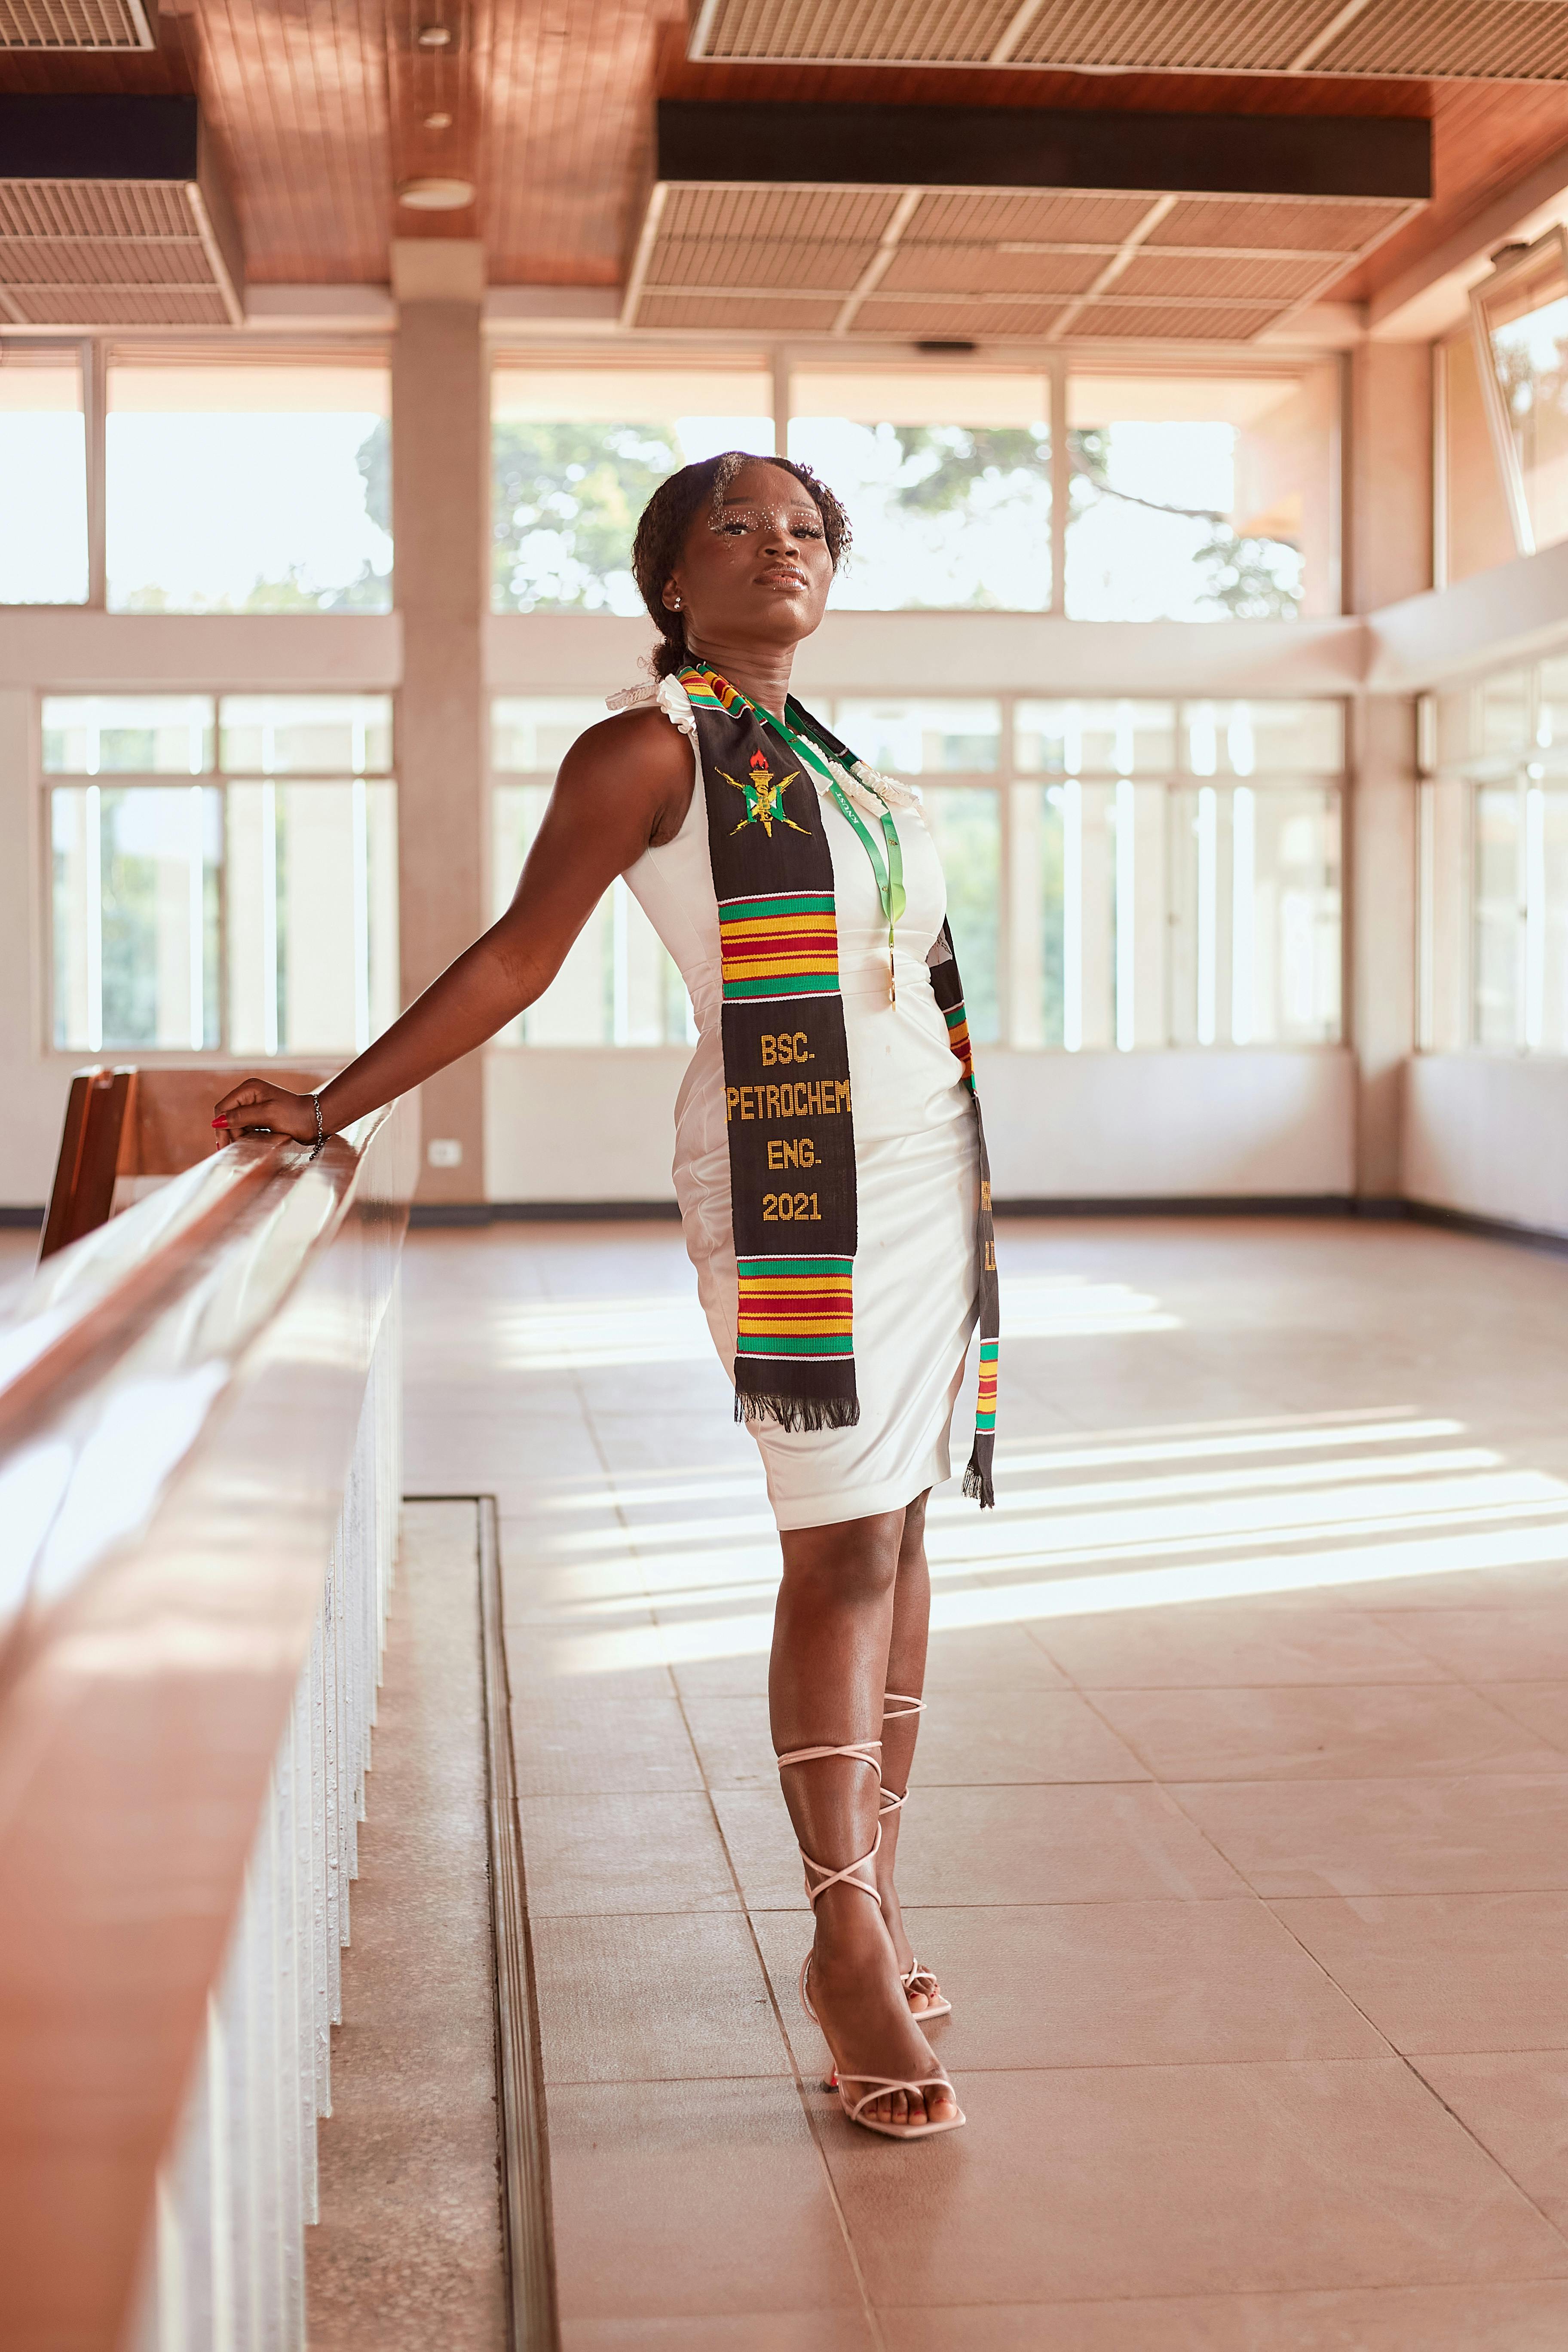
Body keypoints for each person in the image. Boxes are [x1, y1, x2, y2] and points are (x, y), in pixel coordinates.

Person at [215, 452, 1000, 2141]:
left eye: (805, 531)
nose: (777, 549)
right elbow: (523, 949)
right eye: (736, 526)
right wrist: (339, 1101)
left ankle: (881, 1881)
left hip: (929, 1170)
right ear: (669, 581)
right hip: (794, 1176)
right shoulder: (650, 748)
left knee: (905, 1523)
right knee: (841, 1537)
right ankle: (841, 1934)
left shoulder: (839, 768)